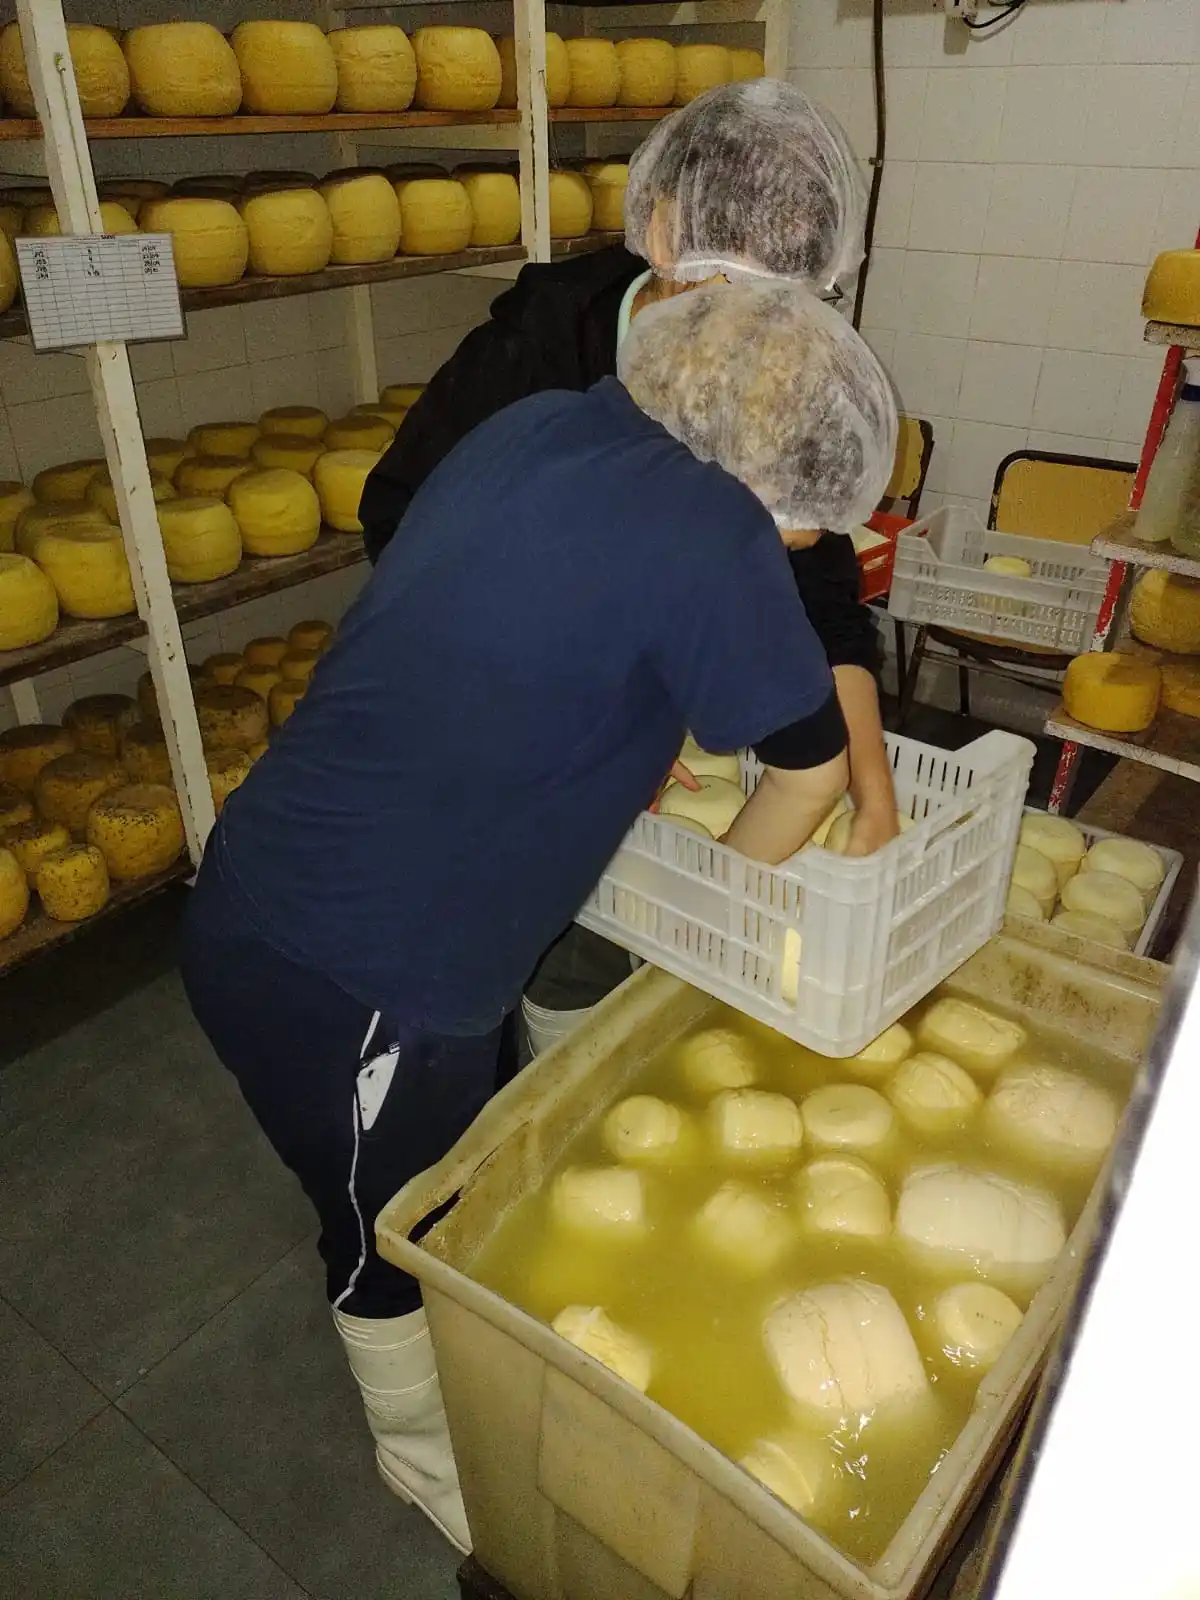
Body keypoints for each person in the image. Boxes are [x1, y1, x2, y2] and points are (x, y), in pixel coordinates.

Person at [180, 281, 897, 1555]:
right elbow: (812, 770)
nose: (802, 546)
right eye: (810, 523)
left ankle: (468, 1368)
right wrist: (701, 934)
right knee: (394, 1230)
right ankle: (429, 1463)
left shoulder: (543, 423)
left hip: (269, 878)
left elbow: (526, 630)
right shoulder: (716, 529)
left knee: (462, 1162)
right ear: (780, 473)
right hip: (354, 974)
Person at [358, 80, 896, 1046]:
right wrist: (587, 697)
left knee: (596, 969)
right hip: (490, 728)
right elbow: (402, 518)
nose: (744, 329)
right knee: (480, 977)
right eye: (721, 284)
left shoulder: (779, 361)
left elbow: (822, 599)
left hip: (631, 776)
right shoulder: (543, 349)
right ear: (658, 226)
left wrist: (875, 795)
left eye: (778, 303)